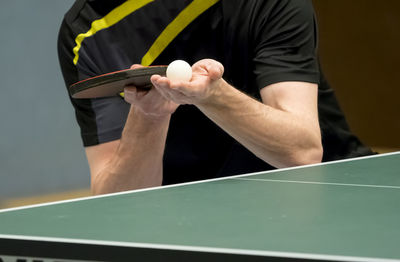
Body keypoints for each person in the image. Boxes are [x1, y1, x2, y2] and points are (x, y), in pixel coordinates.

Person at [58, 0, 373, 194]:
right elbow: (117, 201)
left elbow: (302, 151)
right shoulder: (84, 32)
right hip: (196, 216)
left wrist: (212, 96)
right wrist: (150, 116)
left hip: (326, 193)